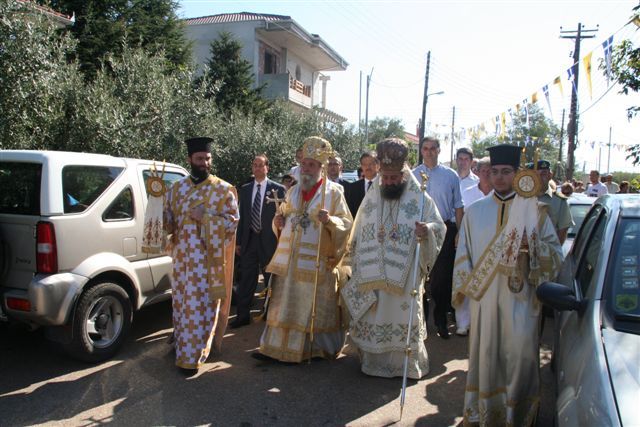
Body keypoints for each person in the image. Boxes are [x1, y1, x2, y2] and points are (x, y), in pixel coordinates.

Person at [452, 144, 562, 426]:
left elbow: (557, 256)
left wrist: (533, 247)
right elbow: (463, 254)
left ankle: (518, 415)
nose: (500, 177)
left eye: (506, 172)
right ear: (488, 173)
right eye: (495, 172)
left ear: (517, 174)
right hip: (485, 300)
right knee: (485, 356)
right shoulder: (475, 212)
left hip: (522, 297)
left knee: (520, 356)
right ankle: (485, 413)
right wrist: (465, 297)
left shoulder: (535, 212)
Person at [341, 138, 445, 379]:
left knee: (400, 313)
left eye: (393, 179)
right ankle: (372, 362)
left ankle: (403, 366)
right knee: (375, 312)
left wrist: (426, 230)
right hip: (373, 271)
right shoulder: (373, 194)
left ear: (403, 175)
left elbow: (438, 225)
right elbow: (360, 227)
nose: (388, 182)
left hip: (405, 272)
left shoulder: (419, 197)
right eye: (385, 178)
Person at [255, 136, 353, 363]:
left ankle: (314, 349)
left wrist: (330, 221)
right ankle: (275, 348)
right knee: (284, 305)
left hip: (317, 262)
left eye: (311, 165)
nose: (306, 168)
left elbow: (346, 224)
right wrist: (277, 223)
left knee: (312, 307)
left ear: (321, 167)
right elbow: (284, 216)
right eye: (304, 164)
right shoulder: (293, 192)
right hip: (290, 263)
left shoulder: (334, 192)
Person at [164, 137, 239, 374]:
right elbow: (167, 223)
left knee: (201, 308)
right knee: (182, 304)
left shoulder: (223, 189)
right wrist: (155, 202)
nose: (204, 162)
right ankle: (182, 344)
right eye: (199, 158)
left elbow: (232, 223)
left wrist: (206, 217)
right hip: (182, 262)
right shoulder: (176, 189)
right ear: (189, 160)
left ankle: (194, 354)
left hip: (207, 263)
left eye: (207, 158)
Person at [412, 136, 464, 339]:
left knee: (441, 280)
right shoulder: (414, 175)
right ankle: (421, 322)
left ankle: (441, 319)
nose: (429, 152)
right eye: (425, 148)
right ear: (421, 151)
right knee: (420, 277)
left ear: (439, 150)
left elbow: (458, 206)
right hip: (419, 230)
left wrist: (459, 233)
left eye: (433, 148)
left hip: (444, 229)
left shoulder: (450, 175)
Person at [232, 155, 286, 328]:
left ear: (267, 168)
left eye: (260, 165)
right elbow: (242, 217)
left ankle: (271, 315)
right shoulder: (246, 189)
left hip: (269, 241)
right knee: (246, 279)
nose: (257, 168)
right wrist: (238, 242)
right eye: (254, 165)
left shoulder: (278, 189)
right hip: (249, 241)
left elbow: (285, 215)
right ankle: (242, 316)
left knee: (271, 279)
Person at [456, 156, 493, 336]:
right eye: (483, 170)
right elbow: (461, 215)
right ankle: (463, 322)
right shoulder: (468, 191)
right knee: (466, 278)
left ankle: (483, 322)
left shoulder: (499, 195)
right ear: (477, 172)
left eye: (489, 171)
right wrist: (458, 234)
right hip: (469, 241)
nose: (486, 174)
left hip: (492, 244)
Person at [526, 160, 574, 245]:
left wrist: (554, 253)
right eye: (538, 175)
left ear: (550, 176)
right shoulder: (523, 198)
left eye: (544, 174)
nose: (541, 178)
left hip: (547, 253)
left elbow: (563, 230)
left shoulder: (559, 201)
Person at [346, 151, 380, 216]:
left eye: (371, 164)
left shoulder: (384, 185)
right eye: (365, 164)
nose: (368, 167)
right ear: (361, 166)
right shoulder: (353, 187)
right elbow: (350, 211)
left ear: (378, 165)